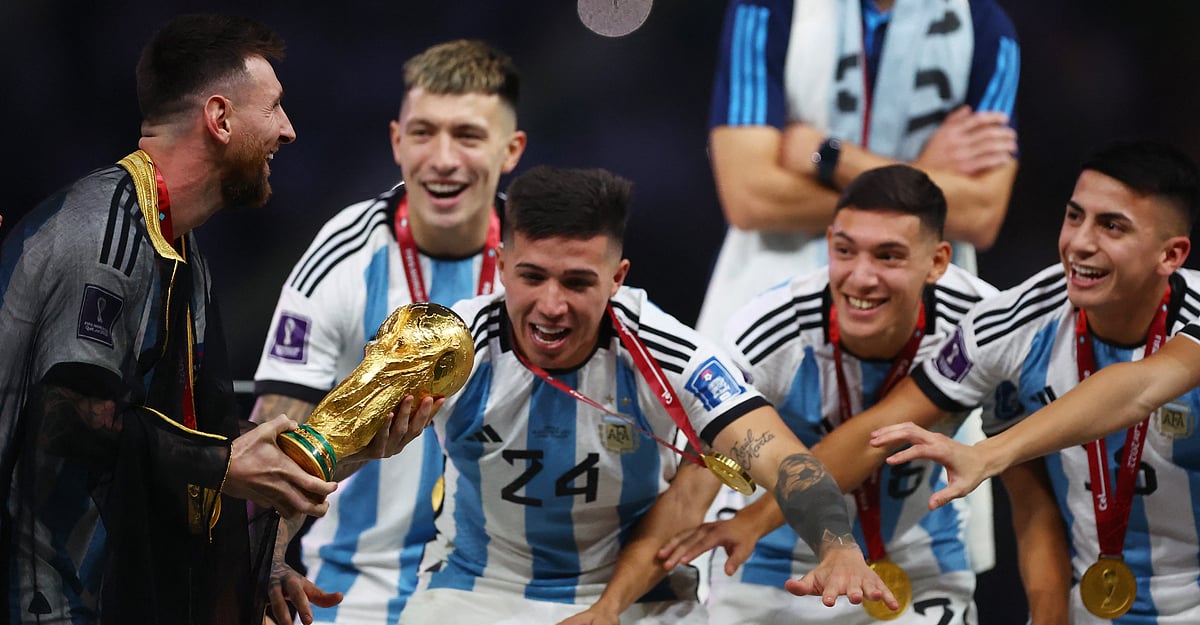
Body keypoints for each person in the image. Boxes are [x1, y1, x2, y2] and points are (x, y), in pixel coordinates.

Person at [388, 165, 896, 624]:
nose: (551, 305)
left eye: (577, 282)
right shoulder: (448, 343)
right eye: (532, 276)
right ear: (501, 266)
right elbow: (329, 445)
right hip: (475, 592)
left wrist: (837, 546)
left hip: (642, 602)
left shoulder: (671, 353)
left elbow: (784, 460)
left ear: (617, 279)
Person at [0, 14, 345, 625]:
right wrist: (220, 463)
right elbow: (69, 420)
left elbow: (192, 427)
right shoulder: (102, 234)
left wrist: (262, 554)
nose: (288, 132)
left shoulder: (180, 247)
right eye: (275, 108)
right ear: (220, 117)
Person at [838, 140, 1200, 623]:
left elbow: (1139, 389)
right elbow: (879, 429)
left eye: (1111, 226)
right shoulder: (1013, 324)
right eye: (1074, 217)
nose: (1079, 243)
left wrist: (986, 454)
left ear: (1171, 254)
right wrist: (753, 521)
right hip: (1092, 610)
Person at [251, 40, 527, 625]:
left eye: (469, 136)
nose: (443, 158)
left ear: (511, 150)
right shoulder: (341, 256)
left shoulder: (542, 267)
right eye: (424, 133)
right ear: (398, 141)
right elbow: (280, 433)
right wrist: (266, 561)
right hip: (357, 593)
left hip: (509, 587)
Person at [661, 165, 995, 624]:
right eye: (844, 251)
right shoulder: (767, 330)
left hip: (918, 560)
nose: (860, 278)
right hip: (772, 558)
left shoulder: (981, 321)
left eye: (889, 256)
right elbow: (695, 476)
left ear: (938, 261)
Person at [696, 0, 1021, 337]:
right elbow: (750, 198)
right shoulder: (767, 7)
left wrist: (832, 158)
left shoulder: (984, 26)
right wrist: (919, 184)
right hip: (770, 323)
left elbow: (981, 215)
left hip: (925, 330)